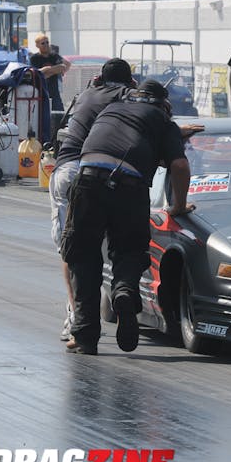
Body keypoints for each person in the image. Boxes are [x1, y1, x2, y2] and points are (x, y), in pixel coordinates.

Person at [61, 80, 203, 355]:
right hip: (129, 185)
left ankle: (85, 336)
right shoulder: (162, 121)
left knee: (83, 257)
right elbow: (179, 164)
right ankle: (124, 291)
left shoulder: (112, 109)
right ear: (164, 104)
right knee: (129, 251)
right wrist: (180, 206)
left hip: (88, 179)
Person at [50, 58, 135, 342]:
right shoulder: (130, 98)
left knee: (71, 249)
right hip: (108, 174)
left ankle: (76, 317)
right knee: (103, 246)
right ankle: (113, 298)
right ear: (129, 81)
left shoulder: (87, 95)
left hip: (69, 168)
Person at [30, 34, 71, 111]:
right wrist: (53, 70)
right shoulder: (34, 58)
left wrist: (47, 71)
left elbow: (65, 65)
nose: (46, 45)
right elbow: (37, 73)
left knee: (58, 115)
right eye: (43, 43)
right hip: (40, 93)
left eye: (47, 42)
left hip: (54, 93)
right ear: (37, 45)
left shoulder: (54, 56)